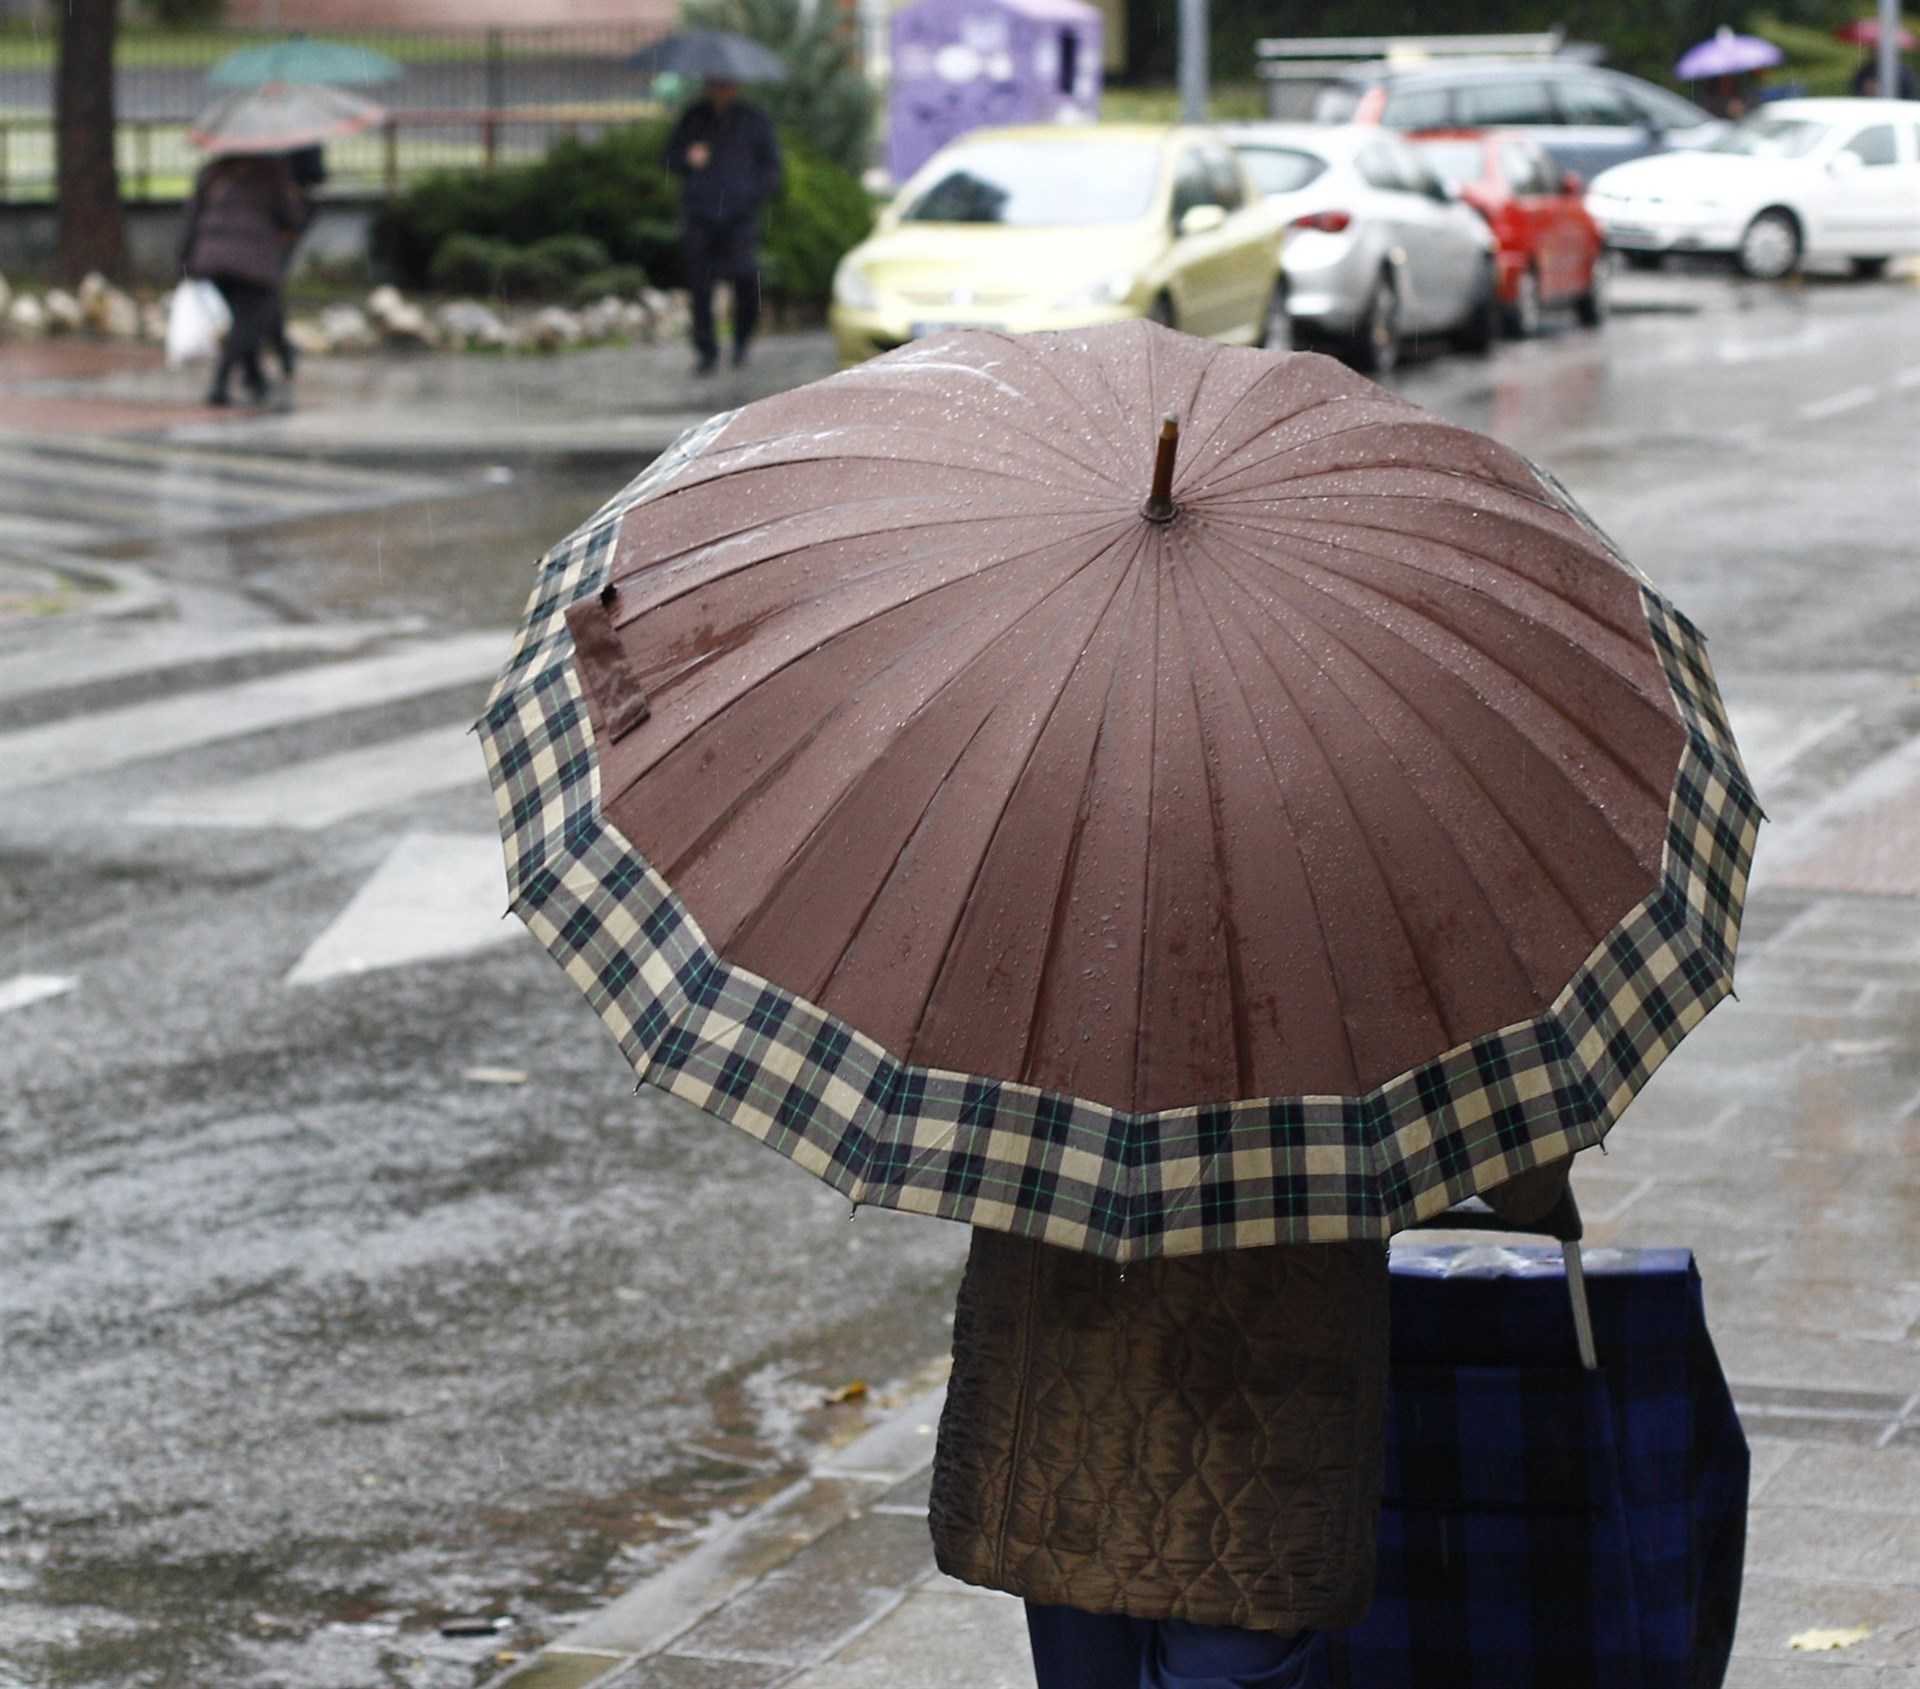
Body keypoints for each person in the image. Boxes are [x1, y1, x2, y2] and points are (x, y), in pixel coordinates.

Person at [929, 1157, 1573, 1688]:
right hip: (1254, 1439)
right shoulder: (1361, 998)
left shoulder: (1034, 999)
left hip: (1059, 1428)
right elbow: (1524, 1181)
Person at [664, 78, 782, 374]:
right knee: (700, 287)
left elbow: (772, 168)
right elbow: (668, 160)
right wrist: (687, 158)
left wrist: (752, 194)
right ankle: (706, 351)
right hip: (700, 215)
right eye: (714, 84)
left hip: (740, 217)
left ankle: (741, 342)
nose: (720, 90)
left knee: (746, 281)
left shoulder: (754, 120)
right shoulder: (693, 118)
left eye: (726, 84)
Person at [179, 151, 306, 408]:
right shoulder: (271, 171)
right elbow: (291, 216)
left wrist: (185, 257)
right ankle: (220, 381)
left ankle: (255, 378)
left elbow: (192, 215)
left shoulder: (214, 170)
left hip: (211, 259)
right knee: (250, 320)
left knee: (245, 318)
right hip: (252, 261)